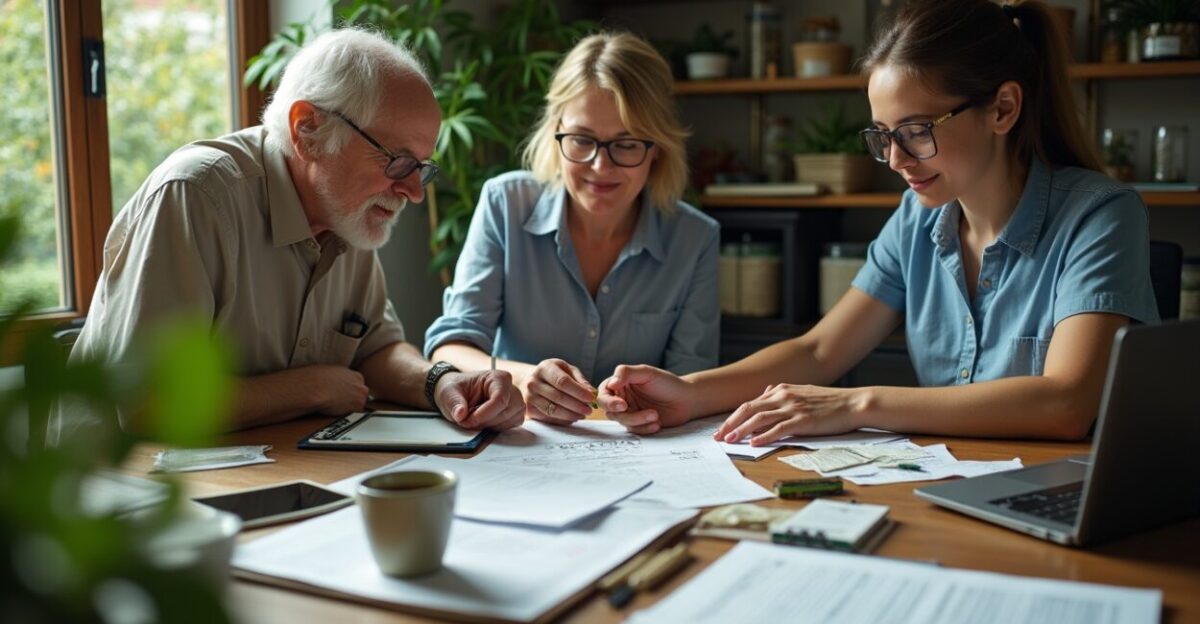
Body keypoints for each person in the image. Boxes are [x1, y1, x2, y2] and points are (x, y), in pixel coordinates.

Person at [600, 0, 1158, 444]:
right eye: (883, 136)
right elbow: (820, 352)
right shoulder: (918, 217)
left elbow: (1065, 404)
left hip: (1066, 496)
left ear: (1003, 109)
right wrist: (692, 392)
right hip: (952, 488)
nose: (895, 159)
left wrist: (856, 403)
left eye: (916, 131)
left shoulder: (1099, 215)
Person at [49, 29, 524, 442]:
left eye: (421, 167)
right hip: (114, 497)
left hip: (258, 466)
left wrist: (439, 381)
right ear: (308, 130)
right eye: (397, 161)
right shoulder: (197, 196)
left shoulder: (349, 214)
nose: (413, 191)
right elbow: (148, 403)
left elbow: (376, 348)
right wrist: (310, 387)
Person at [424, 32, 719, 426]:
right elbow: (449, 347)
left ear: (658, 147)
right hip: (518, 447)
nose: (601, 166)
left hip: (639, 454)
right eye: (581, 140)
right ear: (555, 130)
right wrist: (526, 379)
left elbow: (692, 383)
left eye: (626, 144)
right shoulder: (505, 204)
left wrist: (650, 410)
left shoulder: (695, 238)